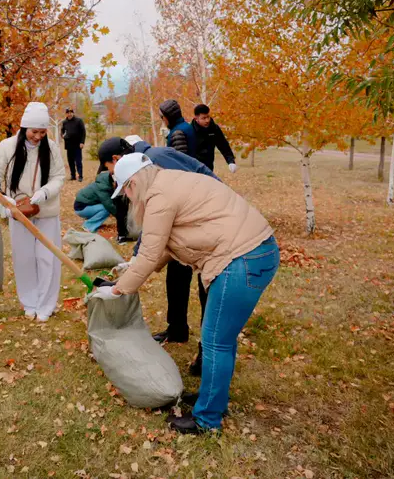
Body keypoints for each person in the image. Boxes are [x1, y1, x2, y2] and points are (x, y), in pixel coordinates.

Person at [97, 153, 279, 435]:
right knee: (221, 339)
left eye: (126, 191)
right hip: (254, 252)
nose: (129, 199)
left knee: (216, 341)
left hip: (242, 258)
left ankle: (207, 420)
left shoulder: (158, 196)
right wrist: (129, 271)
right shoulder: (168, 182)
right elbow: (164, 249)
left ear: (133, 183)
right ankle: (213, 400)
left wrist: (120, 288)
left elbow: (149, 253)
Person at [97, 135, 219, 375]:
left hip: (207, 223)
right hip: (187, 225)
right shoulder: (148, 160)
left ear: (116, 159)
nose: (114, 177)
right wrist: (136, 259)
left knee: (209, 287)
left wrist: (127, 276)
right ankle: (177, 329)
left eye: (111, 170)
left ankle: (209, 353)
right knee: (175, 274)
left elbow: (160, 214)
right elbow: (157, 223)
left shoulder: (154, 160)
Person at [0, 102, 65, 322]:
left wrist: (44, 192)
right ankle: (30, 302)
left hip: (46, 211)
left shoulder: (51, 147)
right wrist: (3, 204)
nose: (38, 136)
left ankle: (46, 304)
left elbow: (59, 176)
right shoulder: (7, 146)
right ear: (24, 128)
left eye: (43, 132)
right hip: (18, 212)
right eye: (34, 131)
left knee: (47, 258)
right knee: (24, 259)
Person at [191, 104, 237, 173]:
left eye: (208, 117)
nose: (207, 120)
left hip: (209, 168)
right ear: (196, 119)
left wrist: (231, 161)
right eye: (203, 118)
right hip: (193, 169)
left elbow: (223, 145)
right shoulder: (190, 130)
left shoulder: (214, 128)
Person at [60, 107, 86, 182]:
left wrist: (82, 142)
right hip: (68, 144)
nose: (69, 114)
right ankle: (73, 176)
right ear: (66, 114)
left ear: (73, 113)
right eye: (68, 112)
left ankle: (80, 176)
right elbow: (62, 130)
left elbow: (83, 132)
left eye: (71, 112)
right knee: (70, 161)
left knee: (78, 161)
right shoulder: (64, 122)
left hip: (77, 144)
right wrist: (62, 135)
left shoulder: (79, 121)